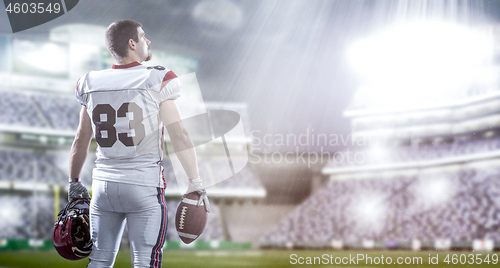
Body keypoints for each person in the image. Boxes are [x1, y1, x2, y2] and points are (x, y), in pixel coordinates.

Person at [68, 19, 209, 268]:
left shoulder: (89, 81)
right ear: (132, 43)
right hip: (142, 186)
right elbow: (179, 136)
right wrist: (195, 182)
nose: (148, 41)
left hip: (103, 187)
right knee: (145, 262)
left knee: (99, 260)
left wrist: (74, 181)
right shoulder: (157, 77)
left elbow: (81, 139)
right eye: (144, 36)